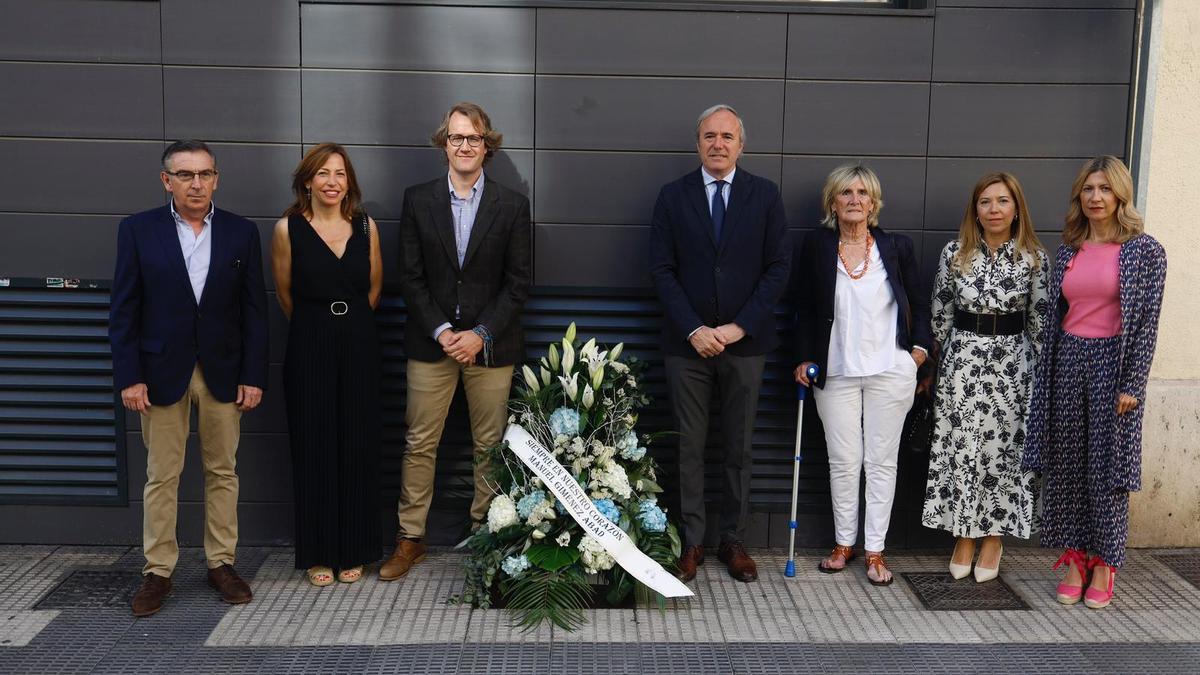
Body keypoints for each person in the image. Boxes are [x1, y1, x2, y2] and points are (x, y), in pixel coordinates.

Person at [109, 140, 268, 616]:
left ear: (216, 178)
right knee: (162, 476)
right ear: (167, 181)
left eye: (204, 174)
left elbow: (254, 312)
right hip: (159, 373)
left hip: (222, 372)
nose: (195, 183)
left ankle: (221, 564)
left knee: (223, 471)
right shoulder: (138, 230)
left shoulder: (241, 232)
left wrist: (253, 375)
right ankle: (158, 571)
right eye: (185, 175)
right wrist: (130, 376)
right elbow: (124, 310)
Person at [380, 102, 532, 581]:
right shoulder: (418, 198)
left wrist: (480, 334)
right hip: (432, 345)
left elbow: (518, 281)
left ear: (488, 146)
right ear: (443, 143)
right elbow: (410, 276)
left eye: (474, 138)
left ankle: (484, 535)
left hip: (491, 345)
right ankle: (410, 538)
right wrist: (445, 332)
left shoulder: (512, 204)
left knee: (489, 445)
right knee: (420, 442)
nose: (464, 146)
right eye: (456, 137)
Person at [650, 104, 790, 583]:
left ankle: (733, 540)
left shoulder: (765, 197)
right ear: (698, 143)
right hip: (685, 345)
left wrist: (738, 327)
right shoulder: (673, 197)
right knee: (689, 446)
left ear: (740, 144)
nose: (718, 143)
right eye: (709, 135)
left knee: (739, 447)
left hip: (745, 346)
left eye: (727, 136)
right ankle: (691, 542)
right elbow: (662, 270)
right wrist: (694, 328)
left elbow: (778, 270)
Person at [1023, 156, 1166, 609]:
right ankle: (1073, 559)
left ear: (1120, 195)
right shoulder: (1068, 250)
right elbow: (1058, 317)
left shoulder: (1145, 252)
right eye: (1088, 189)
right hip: (1068, 359)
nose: (1096, 197)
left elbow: (1146, 325)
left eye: (1104, 189)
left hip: (1112, 363)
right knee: (1066, 465)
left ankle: (1105, 561)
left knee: (1106, 469)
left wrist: (1133, 384)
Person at [793, 163, 931, 586]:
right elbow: (801, 307)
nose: (855, 200)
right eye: (846, 193)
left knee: (881, 461)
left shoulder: (896, 246)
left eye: (862, 193)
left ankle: (875, 551)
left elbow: (919, 302)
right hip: (834, 371)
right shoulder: (817, 247)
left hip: (890, 369)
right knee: (844, 460)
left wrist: (918, 354)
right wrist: (802, 357)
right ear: (832, 202)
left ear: (874, 203)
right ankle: (843, 544)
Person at [921, 172, 1048, 583]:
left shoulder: (1034, 257)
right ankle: (963, 535)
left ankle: (993, 536)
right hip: (961, 364)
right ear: (974, 209)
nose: (993, 209)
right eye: (985, 202)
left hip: (1013, 367)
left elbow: (1041, 321)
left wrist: (1042, 382)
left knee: (1003, 454)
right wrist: (935, 366)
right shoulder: (955, 253)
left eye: (1002, 201)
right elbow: (939, 311)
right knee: (963, 448)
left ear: (1016, 209)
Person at [272, 143, 383, 587]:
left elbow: (374, 289)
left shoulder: (366, 227)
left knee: (356, 443)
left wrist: (347, 322)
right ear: (307, 182)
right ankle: (319, 552)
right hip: (309, 342)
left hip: (358, 341)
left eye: (340, 173)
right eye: (323, 173)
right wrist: (320, 326)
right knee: (314, 445)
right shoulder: (288, 229)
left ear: (349, 182)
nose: (332, 181)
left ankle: (354, 549)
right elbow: (284, 294)